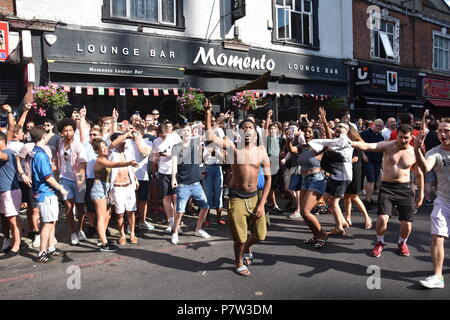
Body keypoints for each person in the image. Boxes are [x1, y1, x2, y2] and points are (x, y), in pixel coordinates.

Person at [205, 99, 271, 277]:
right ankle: (238, 262)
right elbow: (210, 137)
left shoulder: (261, 151)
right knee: (240, 238)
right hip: (236, 198)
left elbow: (268, 178)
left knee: (260, 236)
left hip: (255, 197)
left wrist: (262, 204)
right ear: (239, 133)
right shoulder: (234, 148)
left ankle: (248, 248)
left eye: (251, 127)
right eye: (244, 128)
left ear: (256, 133)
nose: (247, 130)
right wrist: (208, 113)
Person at [351, 124, 424, 258]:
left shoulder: (414, 151)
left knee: (407, 223)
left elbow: (419, 174)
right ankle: (379, 242)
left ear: (411, 137)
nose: (403, 140)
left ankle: (402, 243)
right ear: (397, 135)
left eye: (406, 138)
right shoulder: (387, 145)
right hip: (387, 187)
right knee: (382, 218)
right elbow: (369, 146)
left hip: (406, 188)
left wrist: (422, 194)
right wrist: (351, 143)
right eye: (400, 137)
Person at [414, 119, 450, 289]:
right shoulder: (434, 152)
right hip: (443, 200)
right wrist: (417, 148)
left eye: (447, 130)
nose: (443, 134)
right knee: (437, 236)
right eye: (440, 131)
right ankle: (437, 276)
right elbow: (425, 167)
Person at [91, 138, 137, 251]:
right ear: (97, 151)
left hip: (104, 190)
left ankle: (102, 239)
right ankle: (104, 244)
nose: (105, 148)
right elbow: (114, 164)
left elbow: (113, 144)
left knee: (107, 215)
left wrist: (126, 134)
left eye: (105, 146)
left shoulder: (105, 156)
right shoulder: (100, 160)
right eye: (102, 148)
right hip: (98, 190)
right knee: (101, 218)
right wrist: (129, 162)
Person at [287, 123, 328, 248]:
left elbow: (329, 140)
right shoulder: (302, 147)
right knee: (304, 213)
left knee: (305, 211)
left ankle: (322, 234)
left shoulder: (319, 147)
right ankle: (316, 235)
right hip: (304, 179)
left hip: (316, 179)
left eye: (309, 132)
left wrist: (324, 123)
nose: (307, 134)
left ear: (315, 134)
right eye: (306, 132)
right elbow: (291, 150)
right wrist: (289, 140)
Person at [30, 126, 68, 263]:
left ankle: (51, 247)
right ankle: (41, 252)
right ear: (43, 136)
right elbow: (47, 177)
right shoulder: (40, 154)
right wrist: (60, 188)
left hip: (46, 192)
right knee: (47, 223)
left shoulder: (36, 153)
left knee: (52, 221)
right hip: (45, 193)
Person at [170, 123, 211, 245]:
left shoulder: (196, 144)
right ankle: (175, 232)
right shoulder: (176, 147)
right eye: (184, 130)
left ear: (191, 132)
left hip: (196, 183)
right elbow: (173, 164)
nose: (186, 132)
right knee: (180, 211)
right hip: (183, 184)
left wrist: (207, 116)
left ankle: (198, 229)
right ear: (181, 132)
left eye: (188, 130)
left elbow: (208, 134)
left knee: (205, 206)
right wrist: (173, 178)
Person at [57, 118, 88, 245]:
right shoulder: (59, 143)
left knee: (80, 207)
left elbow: (83, 162)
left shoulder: (78, 145)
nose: (68, 133)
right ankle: (73, 232)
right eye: (65, 130)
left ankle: (80, 229)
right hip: (64, 179)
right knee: (69, 206)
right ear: (61, 132)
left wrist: (80, 181)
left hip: (78, 180)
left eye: (70, 130)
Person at [109, 132, 140, 245]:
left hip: (128, 185)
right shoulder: (111, 153)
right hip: (117, 187)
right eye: (120, 141)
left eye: (124, 140)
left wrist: (135, 179)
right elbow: (112, 145)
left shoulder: (127, 152)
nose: (123, 142)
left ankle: (132, 233)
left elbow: (130, 168)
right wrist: (126, 134)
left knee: (131, 211)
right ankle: (122, 234)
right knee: (119, 213)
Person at [152, 124, 181, 234]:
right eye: (162, 136)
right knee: (166, 198)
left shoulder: (175, 138)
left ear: (169, 132)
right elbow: (153, 158)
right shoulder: (156, 141)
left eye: (165, 135)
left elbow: (181, 153)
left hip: (175, 171)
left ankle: (178, 224)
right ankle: (171, 222)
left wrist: (169, 154)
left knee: (176, 197)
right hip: (163, 171)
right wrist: (158, 156)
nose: (163, 138)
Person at [344, 127, 372, 230]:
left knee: (354, 197)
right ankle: (348, 217)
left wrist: (340, 161)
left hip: (354, 172)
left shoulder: (356, 144)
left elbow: (355, 159)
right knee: (347, 196)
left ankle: (367, 218)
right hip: (348, 171)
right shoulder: (349, 142)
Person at [0, 132, 23, 259]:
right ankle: (15, 243)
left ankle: (16, 246)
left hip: (10, 191)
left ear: (2, 141)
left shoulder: (8, 152)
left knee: (13, 220)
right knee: (11, 220)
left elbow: (3, 156)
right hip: (5, 191)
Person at [130, 123, 155, 231]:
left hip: (142, 176)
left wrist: (138, 140)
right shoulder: (126, 142)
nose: (132, 134)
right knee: (131, 201)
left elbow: (144, 153)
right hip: (129, 175)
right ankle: (130, 224)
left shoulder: (148, 142)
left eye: (135, 132)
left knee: (142, 200)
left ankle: (142, 221)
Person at [360, 119, 384, 207]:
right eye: (377, 125)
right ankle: (368, 200)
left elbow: (382, 149)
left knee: (375, 181)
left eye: (381, 126)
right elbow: (359, 145)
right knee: (371, 180)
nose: (379, 128)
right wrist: (363, 155)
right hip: (368, 161)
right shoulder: (365, 134)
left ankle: (369, 198)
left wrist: (382, 161)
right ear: (373, 124)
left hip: (377, 161)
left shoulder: (380, 137)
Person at [423, 119, 441, 206]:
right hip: (439, 159)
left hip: (428, 158)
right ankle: (439, 198)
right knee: (439, 180)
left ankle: (427, 199)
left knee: (428, 181)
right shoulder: (440, 136)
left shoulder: (426, 136)